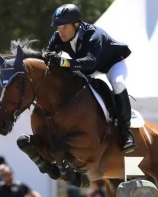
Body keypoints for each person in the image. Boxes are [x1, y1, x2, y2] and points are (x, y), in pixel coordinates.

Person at [42, 4, 137, 153]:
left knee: (118, 84)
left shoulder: (93, 35)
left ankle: (125, 132)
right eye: (58, 28)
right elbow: (48, 58)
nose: (61, 31)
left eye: (64, 27)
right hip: (88, 68)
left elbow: (90, 62)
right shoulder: (57, 37)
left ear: (76, 24)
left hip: (111, 64)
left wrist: (63, 62)